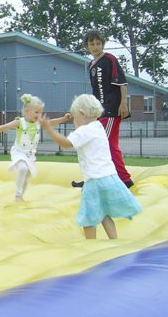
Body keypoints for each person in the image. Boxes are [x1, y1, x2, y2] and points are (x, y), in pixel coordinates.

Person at [40, 94, 141, 240]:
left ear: (82, 114)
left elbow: (66, 144)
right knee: (104, 213)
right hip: (110, 177)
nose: (74, 121)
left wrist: (49, 129)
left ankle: (90, 246)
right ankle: (114, 241)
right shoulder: (99, 126)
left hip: (95, 180)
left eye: (75, 117)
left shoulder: (85, 130)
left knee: (88, 219)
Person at [72, 30, 133, 189]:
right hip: (100, 112)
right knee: (101, 145)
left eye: (98, 43)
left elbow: (122, 82)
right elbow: (95, 91)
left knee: (104, 145)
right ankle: (95, 179)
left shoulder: (109, 59)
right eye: (91, 44)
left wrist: (123, 103)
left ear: (102, 44)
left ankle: (124, 180)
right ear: (87, 46)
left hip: (112, 109)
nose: (95, 47)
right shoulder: (91, 64)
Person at [0, 94, 70, 202]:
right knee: (23, 168)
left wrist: (64, 118)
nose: (39, 115)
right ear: (27, 111)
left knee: (27, 176)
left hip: (30, 155)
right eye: (36, 112)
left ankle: (21, 196)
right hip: (19, 152)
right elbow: (4, 127)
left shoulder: (38, 123)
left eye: (41, 112)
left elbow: (51, 122)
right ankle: (17, 196)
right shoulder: (20, 122)